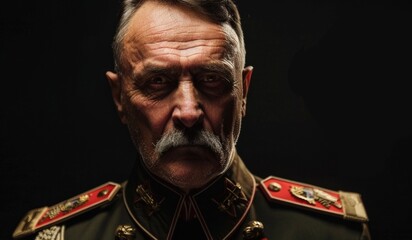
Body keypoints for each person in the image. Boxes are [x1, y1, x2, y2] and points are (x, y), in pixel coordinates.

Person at [12, 0, 370, 239]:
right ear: (119, 97)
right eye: (158, 82)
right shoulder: (58, 235)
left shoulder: (334, 233)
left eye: (211, 80)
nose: (188, 112)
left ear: (243, 91)